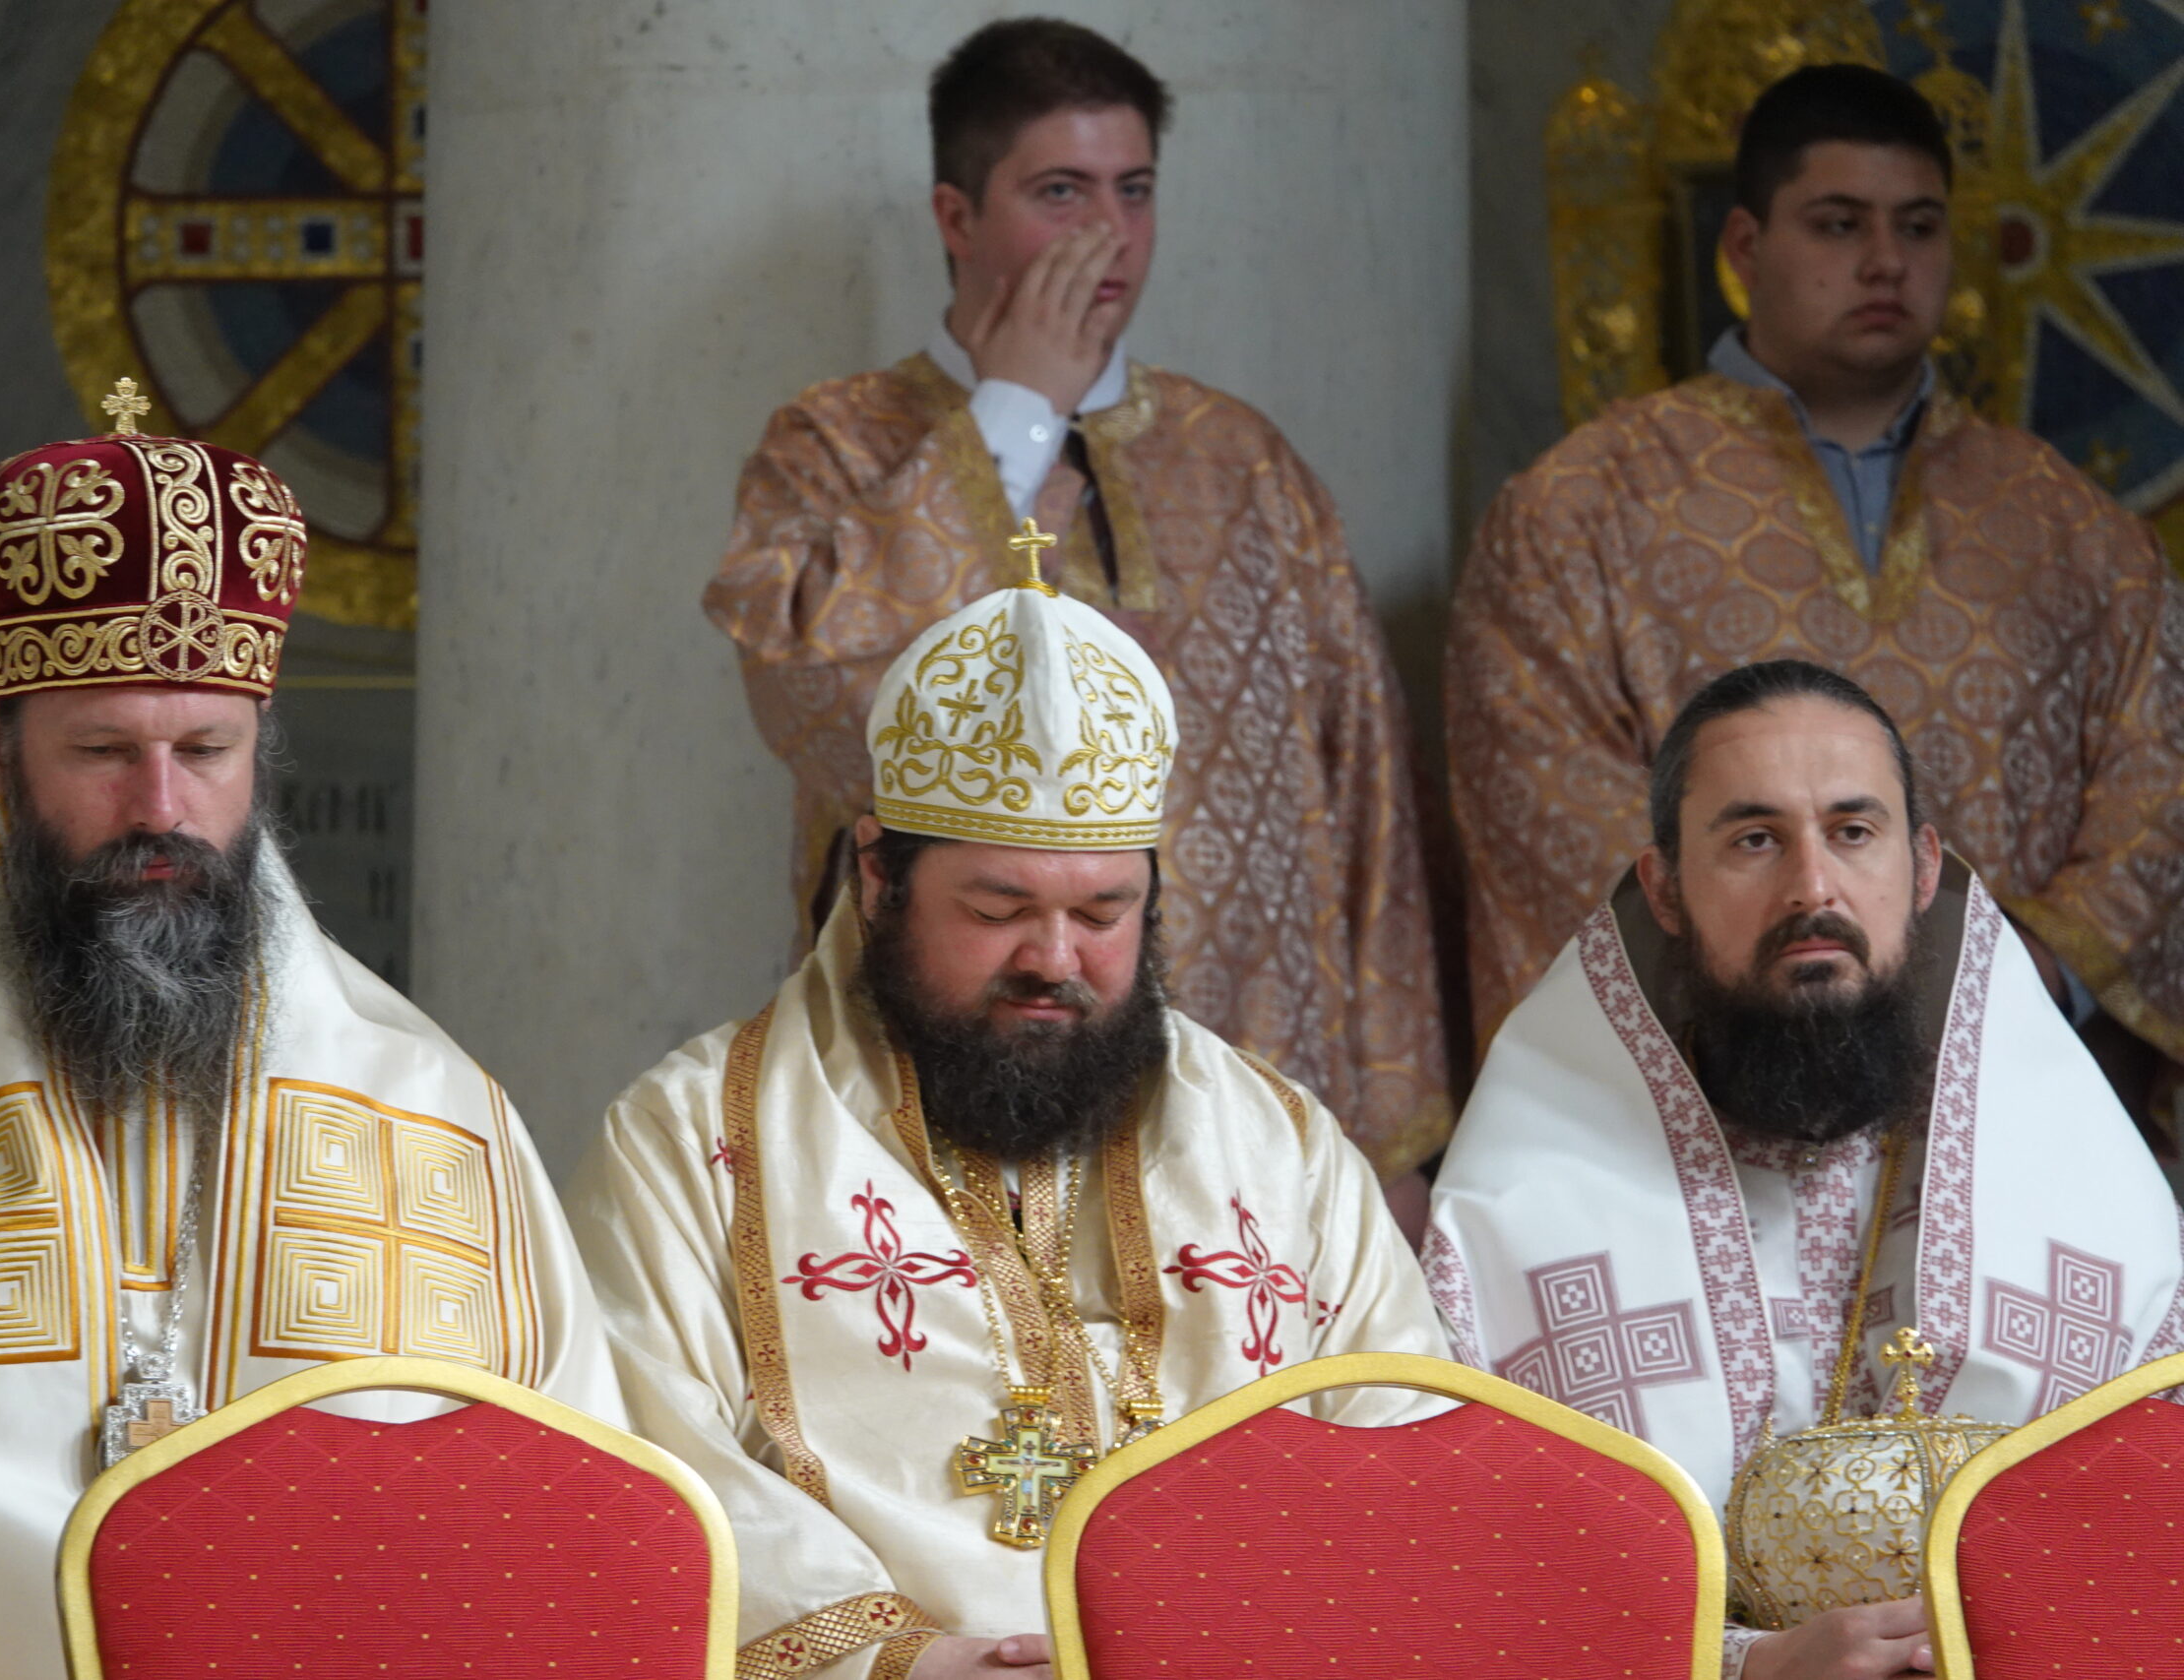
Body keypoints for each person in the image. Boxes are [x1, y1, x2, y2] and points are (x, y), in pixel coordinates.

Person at [0, 396, 621, 1680]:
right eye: (103, 749)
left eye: (206, 749)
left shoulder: (436, 1110)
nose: (159, 805)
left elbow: (562, 1547)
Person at [579, 526, 1451, 1680]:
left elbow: (1404, 1444)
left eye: (1102, 913)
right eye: (997, 911)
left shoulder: (1278, 1148)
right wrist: (903, 1663)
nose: (1055, 959)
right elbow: (650, 1469)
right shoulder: (692, 1141)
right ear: (877, 874)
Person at [705, 18, 1451, 1222]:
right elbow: (817, 701)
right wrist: (1012, 412)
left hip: (1249, 1098)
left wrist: (1394, 1130)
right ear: (957, 217)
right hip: (965, 1072)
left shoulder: (1240, 459)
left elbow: (1363, 788)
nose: (1107, 234)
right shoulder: (836, 443)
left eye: (1133, 190)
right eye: (1060, 192)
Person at [1448, 64, 2184, 1124]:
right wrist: (1786, 970)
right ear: (1747, 248)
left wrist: (2035, 967)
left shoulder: (2069, 524)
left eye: (1918, 226)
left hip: (2018, 1082)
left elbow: (2157, 779)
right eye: (1839, 225)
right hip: (1713, 1087)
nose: (1885, 261)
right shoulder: (1579, 510)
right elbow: (1543, 798)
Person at [1428, 659, 2184, 1680]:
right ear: (1664, 888)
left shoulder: (2086, 1193)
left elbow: (2154, 1548)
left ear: (1923, 869)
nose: (1813, 887)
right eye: (1754, 839)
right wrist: (1746, 1664)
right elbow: (1471, 1575)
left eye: (1853, 831)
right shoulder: (1518, 1214)